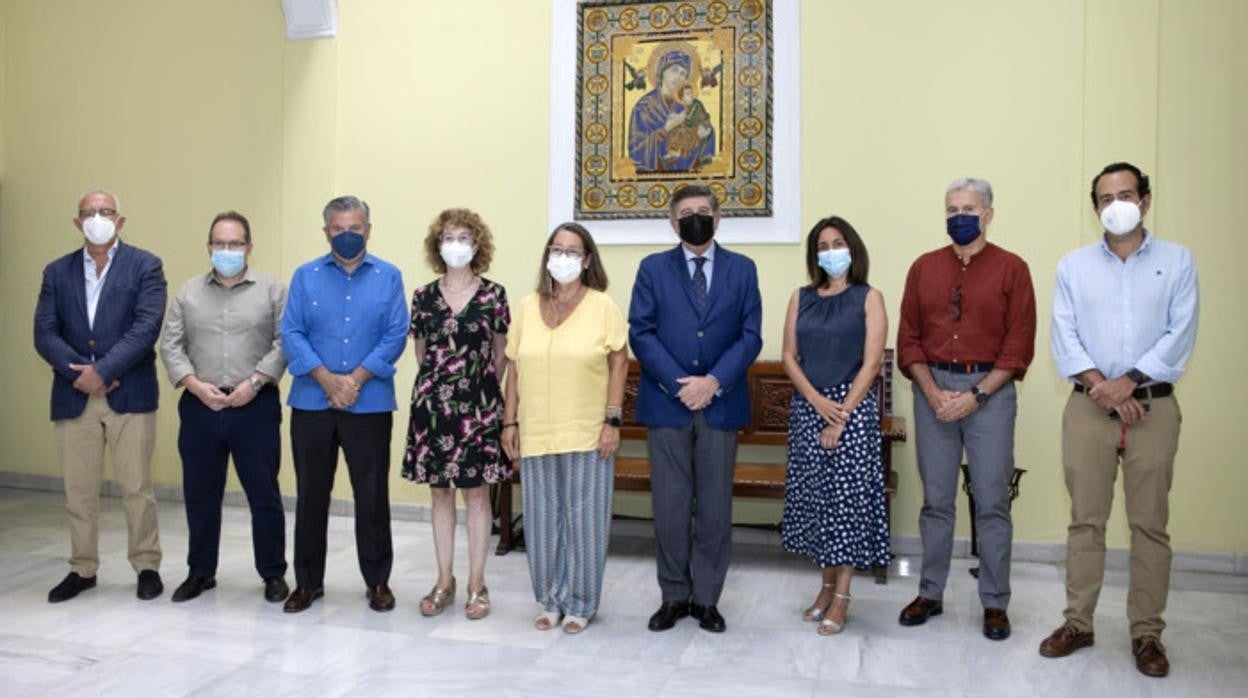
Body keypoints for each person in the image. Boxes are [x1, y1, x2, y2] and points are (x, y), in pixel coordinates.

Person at [1040, 162, 1199, 677]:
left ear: (1146, 201)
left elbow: (1180, 334)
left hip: (1154, 406)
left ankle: (1147, 634)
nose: (1116, 205)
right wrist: (1105, 390)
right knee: (1085, 521)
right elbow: (1065, 337)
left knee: (1149, 524)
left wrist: (1129, 381)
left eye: (1125, 194)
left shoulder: (1177, 262)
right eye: (1105, 199)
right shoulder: (1073, 266)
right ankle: (1078, 624)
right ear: (1095, 209)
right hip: (1088, 407)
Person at [896, 177, 1036, 641]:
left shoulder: (1013, 269)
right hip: (931, 389)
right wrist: (934, 393)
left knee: (992, 503)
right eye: (952, 208)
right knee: (936, 501)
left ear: (989, 214)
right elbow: (909, 339)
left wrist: (975, 395)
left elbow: (1018, 346)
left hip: (990, 395)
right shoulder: (923, 268)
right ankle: (929, 593)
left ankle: (994, 602)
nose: (960, 216)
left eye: (970, 208)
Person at [629, 184, 763, 634]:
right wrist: (679, 384)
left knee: (714, 508)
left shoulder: (743, 270)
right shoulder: (652, 269)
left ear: (718, 218)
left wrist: (713, 383)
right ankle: (673, 596)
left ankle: (706, 599)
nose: (695, 218)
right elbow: (641, 332)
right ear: (672, 222)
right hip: (667, 405)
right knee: (669, 508)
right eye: (686, 213)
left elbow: (750, 335)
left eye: (703, 211)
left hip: (720, 406)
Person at [35, 189, 167, 602]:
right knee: (79, 490)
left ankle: (146, 565)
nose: (97, 218)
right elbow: (44, 332)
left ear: (120, 221)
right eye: (89, 213)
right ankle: (83, 568)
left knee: (136, 487)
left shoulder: (146, 265)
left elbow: (146, 327)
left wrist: (105, 371)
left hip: (129, 392)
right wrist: (82, 373)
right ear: (77, 223)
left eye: (106, 211)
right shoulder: (56, 272)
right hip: (74, 394)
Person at [279, 195, 408, 613]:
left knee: (371, 497)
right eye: (339, 229)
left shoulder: (389, 278)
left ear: (368, 229)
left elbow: (395, 335)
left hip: (368, 404)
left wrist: (354, 380)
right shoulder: (305, 276)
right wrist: (325, 379)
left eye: (355, 228)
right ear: (326, 231)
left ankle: (377, 582)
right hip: (312, 403)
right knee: (311, 495)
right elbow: (292, 332)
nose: (347, 235)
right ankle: (307, 583)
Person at [501, 222, 627, 634]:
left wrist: (612, 419)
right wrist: (509, 421)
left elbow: (619, 362)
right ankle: (550, 599)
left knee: (585, 519)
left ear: (587, 260)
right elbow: (515, 368)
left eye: (573, 251)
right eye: (557, 249)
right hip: (537, 429)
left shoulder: (602, 305)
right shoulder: (526, 307)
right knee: (540, 520)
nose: (564, 258)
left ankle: (581, 603)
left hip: (587, 430)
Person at [159, 211, 290, 603]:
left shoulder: (272, 290)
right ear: (209, 247)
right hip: (201, 406)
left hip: (255, 405)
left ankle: (272, 574)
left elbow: (286, 341)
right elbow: (170, 345)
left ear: (249, 247)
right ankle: (200, 572)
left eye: (235, 244)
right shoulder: (188, 293)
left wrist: (256, 382)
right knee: (201, 495)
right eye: (220, 243)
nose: (227, 250)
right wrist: (195, 386)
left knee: (263, 495)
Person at [780, 216, 890, 635]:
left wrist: (839, 414)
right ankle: (824, 588)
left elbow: (872, 361)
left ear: (853, 247)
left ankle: (842, 597)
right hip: (810, 407)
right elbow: (789, 355)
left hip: (852, 412)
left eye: (837, 243)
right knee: (818, 503)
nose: (830, 251)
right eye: (822, 245)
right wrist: (815, 400)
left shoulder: (869, 297)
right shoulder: (801, 297)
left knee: (846, 506)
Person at [404, 208, 510, 620]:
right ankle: (444, 580)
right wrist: (445, 388)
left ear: (478, 245)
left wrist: (477, 390)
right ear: (437, 245)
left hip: (480, 406)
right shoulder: (423, 296)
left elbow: (501, 356)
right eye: (449, 237)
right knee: (440, 493)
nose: (456, 245)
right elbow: (421, 354)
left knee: (478, 494)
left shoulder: (494, 295)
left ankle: (476, 584)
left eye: (465, 238)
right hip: (433, 406)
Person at [627, 49, 715, 173]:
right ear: (662, 72)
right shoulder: (644, 107)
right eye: (675, 70)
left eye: (683, 74)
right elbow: (635, 151)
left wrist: (704, 134)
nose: (679, 77)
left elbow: (707, 129)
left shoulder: (687, 105)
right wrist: (666, 130)